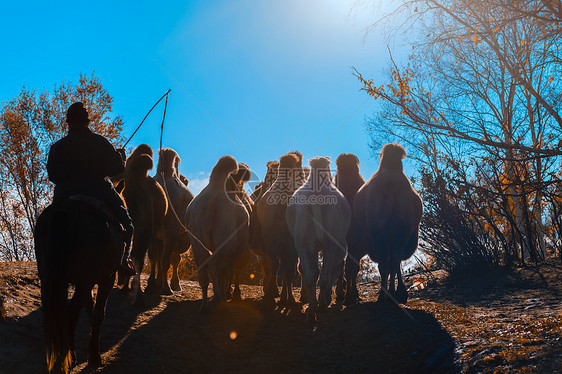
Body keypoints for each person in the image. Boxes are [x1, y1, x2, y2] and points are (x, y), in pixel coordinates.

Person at [47, 102, 135, 276]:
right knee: (127, 224)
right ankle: (123, 261)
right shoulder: (99, 142)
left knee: (49, 221)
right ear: (87, 121)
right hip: (97, 190)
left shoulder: (57, 147)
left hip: (64, 194)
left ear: (68, 122)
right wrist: (121, 159)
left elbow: (53, 176)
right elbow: (115, 170)